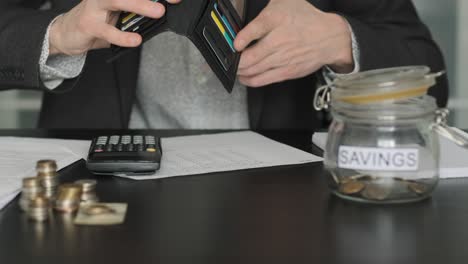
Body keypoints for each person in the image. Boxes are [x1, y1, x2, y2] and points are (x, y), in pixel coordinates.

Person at [0, 0, 448, 129]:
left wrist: (339, 39)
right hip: (100, 197)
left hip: (284, 210)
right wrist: (57, 33)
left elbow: (430, 76)